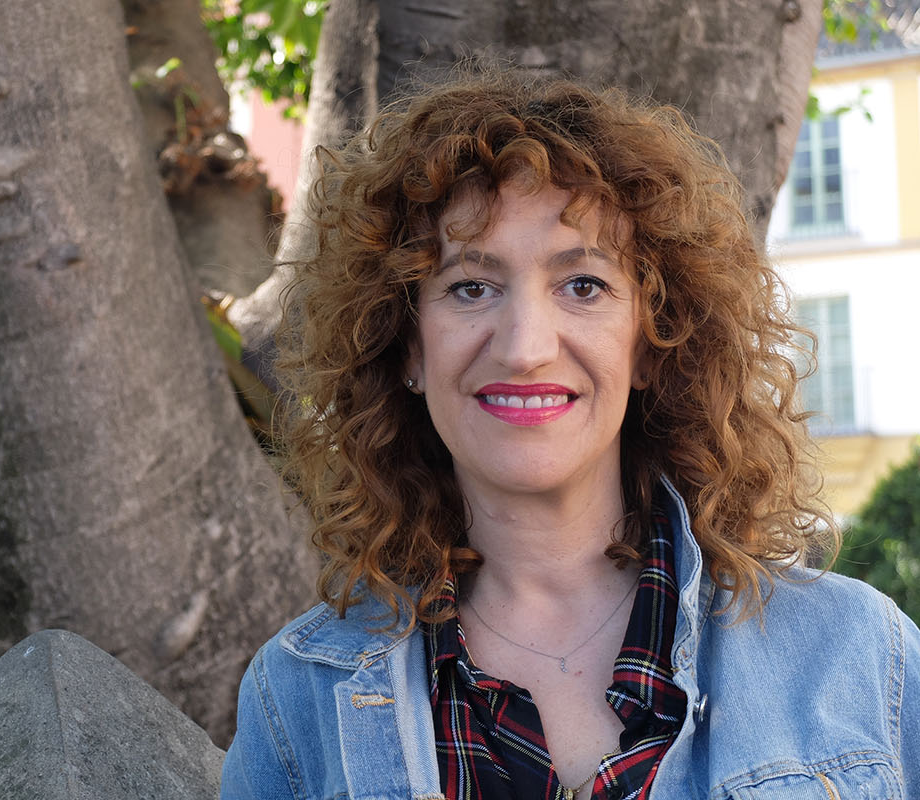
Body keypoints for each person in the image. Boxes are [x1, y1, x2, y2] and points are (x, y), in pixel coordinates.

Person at [220, 65, 920, 800]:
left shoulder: (860, 657)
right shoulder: (298, 698)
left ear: (650, 341)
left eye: (582, 285)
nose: (525, 347)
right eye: (471, 287)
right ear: (407, 349)